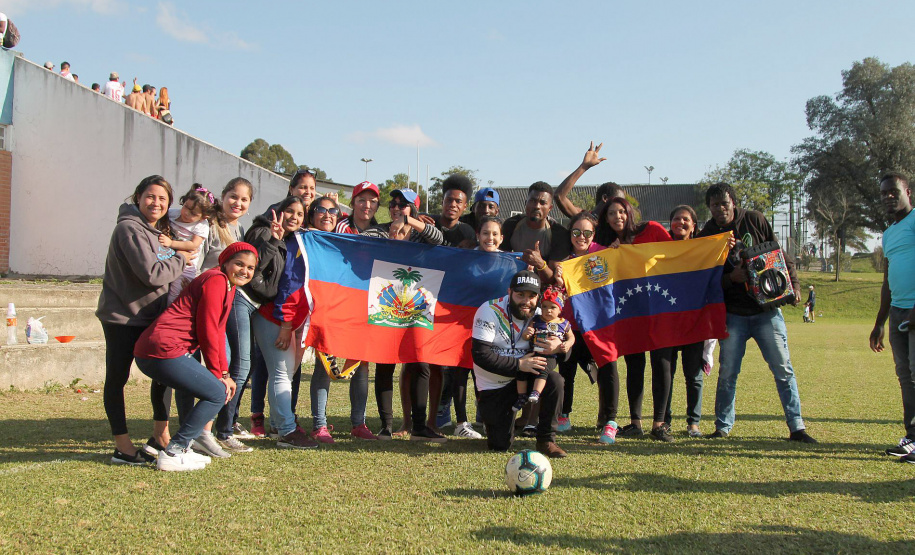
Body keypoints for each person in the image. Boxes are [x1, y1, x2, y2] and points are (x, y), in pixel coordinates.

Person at [697, 182, 816, 443]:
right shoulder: (706, 234)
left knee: (783, 369)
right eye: (714, 205)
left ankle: (797, 427)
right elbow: (703, 278)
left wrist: (793, 285)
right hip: (733, 314)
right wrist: (731, 278)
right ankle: (722, 427)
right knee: (728, 372)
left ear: (734, 203)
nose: (720, 209)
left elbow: (779, 253)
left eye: (724, 204)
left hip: (766, 311)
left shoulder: (754, 220)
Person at [134, 242, 258, 471]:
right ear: (225, 263)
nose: (245, 271)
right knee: (216, 393)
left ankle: (182, 446)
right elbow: (208, 328)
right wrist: (218, 374)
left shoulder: (228, 286)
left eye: (250, 268)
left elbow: (218, 332)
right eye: (239, 264)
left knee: (217, 389)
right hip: (162, 349)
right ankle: (175, 450)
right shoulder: (216, 280)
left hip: (164, 350)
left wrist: (224, 373)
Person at [96, 175, 189, 465]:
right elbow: (152, 274)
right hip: (124, 318)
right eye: (151, 196)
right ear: (138, 197)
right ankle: (122, 446)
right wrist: (181, 259)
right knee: (118, 378)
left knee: (165, 374)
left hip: (151, 317)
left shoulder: (154, 231)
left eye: (163, 199)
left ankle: (160, 434)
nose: (156, 203)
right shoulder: (128, 229)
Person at [364, 189, 445, 442]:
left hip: (417, 307)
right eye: (393, 204)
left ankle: (419, 427)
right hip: (385, 303)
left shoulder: (421, 233)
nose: (397, 208)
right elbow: (360, 242)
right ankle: (386, 426)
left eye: (404, 205)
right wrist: (390, 238)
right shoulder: (378, 231)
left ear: (414, 209)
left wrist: (411, 222)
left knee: (420, 362)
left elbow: (439, 240)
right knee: (385, 363)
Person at [595, 196, 676, 442]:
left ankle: (660, 424)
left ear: (629, 212)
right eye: (611, 213)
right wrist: (611, 255)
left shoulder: (651, 229)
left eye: (621, 211)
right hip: (629, 310)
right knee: (634, 365)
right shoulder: (609, 244)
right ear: (606, 219)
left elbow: (677, 255)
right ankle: (635, 422)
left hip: (660, 306)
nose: (617, 217)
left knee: (662, 363)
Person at [472, 270, 570, 458]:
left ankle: (546, 440)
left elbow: (565, 354)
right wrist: (519, 365)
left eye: (532, 296)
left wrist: (560, 347)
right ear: (509, 292)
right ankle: (500, 422)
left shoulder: (544, 314)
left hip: (529, 379)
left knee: (555, 380)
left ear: (538, 297)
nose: (527, 301)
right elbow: (480, 355)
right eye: (520, 295)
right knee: (499, 445)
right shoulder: (489, 310)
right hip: (495, 386)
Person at [307, 196, 378, 442]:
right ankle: (320, 424)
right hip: (325, 307)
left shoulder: (360, 235)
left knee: (361, 363)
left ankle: (359, 423)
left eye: (332, 211)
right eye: (321, 210)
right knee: (323, 364)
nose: (327, 214)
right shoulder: (309, 237)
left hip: (356, 306)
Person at [250, 196, 318, 449]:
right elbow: (288, 285)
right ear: (277, 211)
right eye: (289, 211)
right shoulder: (277, 239)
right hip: (275, 317)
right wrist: (286, 324)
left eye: (299, 214)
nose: (294, 217)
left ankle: (279, 425)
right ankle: (288, 431)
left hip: (291, 319)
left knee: (285, 374)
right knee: (281, 372)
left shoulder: (299, 241)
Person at [870, 172, 915, 461]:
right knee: (906, 377)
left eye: (893, 192)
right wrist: (879, 322)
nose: (888, 197)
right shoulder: (888, 233)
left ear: (907, 192)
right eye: (883, 193)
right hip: (898, 311)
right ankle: (911, 438)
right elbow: (887, 280)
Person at [551, 212, 606, 435]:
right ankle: (564, 415)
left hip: (596, 326)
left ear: (593, 234)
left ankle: (606, 419)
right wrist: (557, 279)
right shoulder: (564, 263)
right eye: (576, 232)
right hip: (569, 326)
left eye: (586, 233)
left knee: (603, 371)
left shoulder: (604, 254)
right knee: (566, 373)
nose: (581, 237)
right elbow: (558, 294)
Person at [662, 205, 709, 437]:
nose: (681, 222)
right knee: (666, 375)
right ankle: (665, 421)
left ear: (694, 225)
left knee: (693, 375)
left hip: (693, 321)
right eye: (676, 218)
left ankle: (693, 423)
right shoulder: (659, 249)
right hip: (667, 321)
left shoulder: (703, 249)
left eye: (686, 219)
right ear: (670, 223)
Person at [514, 287, 573, 411]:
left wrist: (567, 344)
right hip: (534, 352)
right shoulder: (536, 320)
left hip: (550, 356)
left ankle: (536, 392)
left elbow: (572, 337)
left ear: (560, 309)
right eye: (545, 307)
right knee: (521, 370)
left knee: (543, 370)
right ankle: (521, 396)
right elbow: (526, 336)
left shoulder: (564, 323)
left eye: (552, 307)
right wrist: (527, 333)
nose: (548, 311)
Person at [161, 186, 215, 304]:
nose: (186, 213)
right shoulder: (172, 214)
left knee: (174, 297)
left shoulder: (201, 225)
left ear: (203, 217)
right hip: (168, 258)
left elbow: (193, 245)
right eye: (186, 206)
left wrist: (171, 243)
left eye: (193, 213)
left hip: (186, 267)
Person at [554, 141, 626, 219]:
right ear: (605, 198)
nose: (622, 206)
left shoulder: (619, 226)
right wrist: (584, 166)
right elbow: (560, 196)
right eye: (618, 201)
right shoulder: (586, 219)